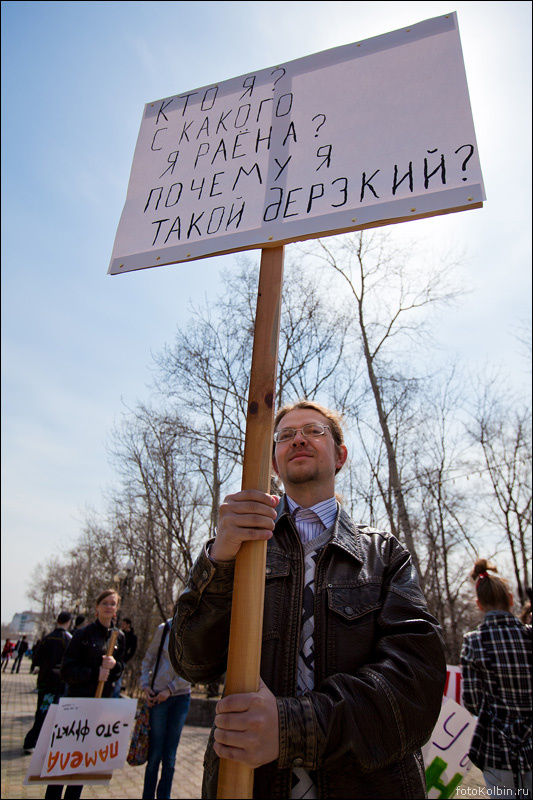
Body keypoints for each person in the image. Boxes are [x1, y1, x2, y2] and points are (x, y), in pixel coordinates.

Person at [170, 399, 446, 799]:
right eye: (284, 435)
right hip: (247, 784)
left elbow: (414, 687)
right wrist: (220, 558)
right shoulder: (238, 549)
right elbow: (192, 662)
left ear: (340, 455)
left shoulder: (384, 556)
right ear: (274, 464)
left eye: (314, 431)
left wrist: (290, 727)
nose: (298, 438)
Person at [45, 589, 126, 800]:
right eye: (105, 603)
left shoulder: (119, 637)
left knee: (82, 763)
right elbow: (66, 671)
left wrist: (114, 666)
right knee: (63, 762)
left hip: (100, 708)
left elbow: (121, 668)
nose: (109, 606)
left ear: (116, 609)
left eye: (113, 603)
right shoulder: (83, 635)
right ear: (97, 607)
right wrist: (93, 673)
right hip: (77, 705)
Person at [461, 559, 532, 799]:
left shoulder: (473, 642)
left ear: (479, 604)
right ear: (511, 600)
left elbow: (470, 701)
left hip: (496, 749)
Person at [140, 618, 191, 799]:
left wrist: (171, 689)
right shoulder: (165, 628)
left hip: (180, 697)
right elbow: (149, 659)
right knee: (154, 754)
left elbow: (193, 668)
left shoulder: (195, 629)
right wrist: (145, 685)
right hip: (157, 697)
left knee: (169, 756)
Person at [23, 611, 72, 754]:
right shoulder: (67, 639)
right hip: (57, 682)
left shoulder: (47, 638)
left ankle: (37, 741)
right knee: (49, 712)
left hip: (44, 680)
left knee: (43, 710)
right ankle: (34, 741)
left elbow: (37, 658)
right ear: (68, 622)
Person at [112, 617, 138, 697]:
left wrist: (125, 659)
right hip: (114, 658)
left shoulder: (133, 637)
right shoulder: (119, 634)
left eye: (124, 624)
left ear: (128, 625)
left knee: (118, 680)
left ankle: (114, 697)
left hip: (122, 660)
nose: (122, 625)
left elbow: (132, 650)